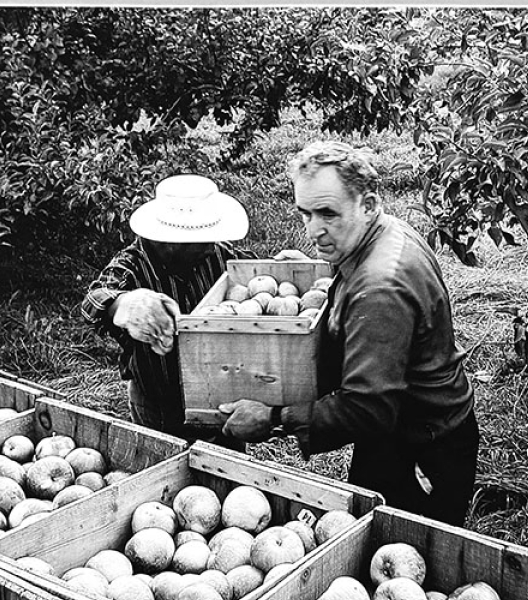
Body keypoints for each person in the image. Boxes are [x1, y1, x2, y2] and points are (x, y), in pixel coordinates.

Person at [218, 141, 480, 526]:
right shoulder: (384, 233)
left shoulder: (380, 290)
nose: (313, 230)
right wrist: (322, 270)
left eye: (328, 213)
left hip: (423, 443)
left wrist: (273, 418)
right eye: (305, 213)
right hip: (402, 424)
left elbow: (366, 409)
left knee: (405, 545)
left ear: (368, 205)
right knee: (368, 520)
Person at [80, 174, 271, 443]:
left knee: (225, 463)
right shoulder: (133, 265)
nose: (211, 247)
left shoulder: (217, 254)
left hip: (219, 394)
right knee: (162, 463)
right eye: (202, 241)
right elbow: (95, 299)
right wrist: (125, 304)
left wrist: (277, 267)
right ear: (170, 241)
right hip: (159, 405)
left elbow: (253, 271)